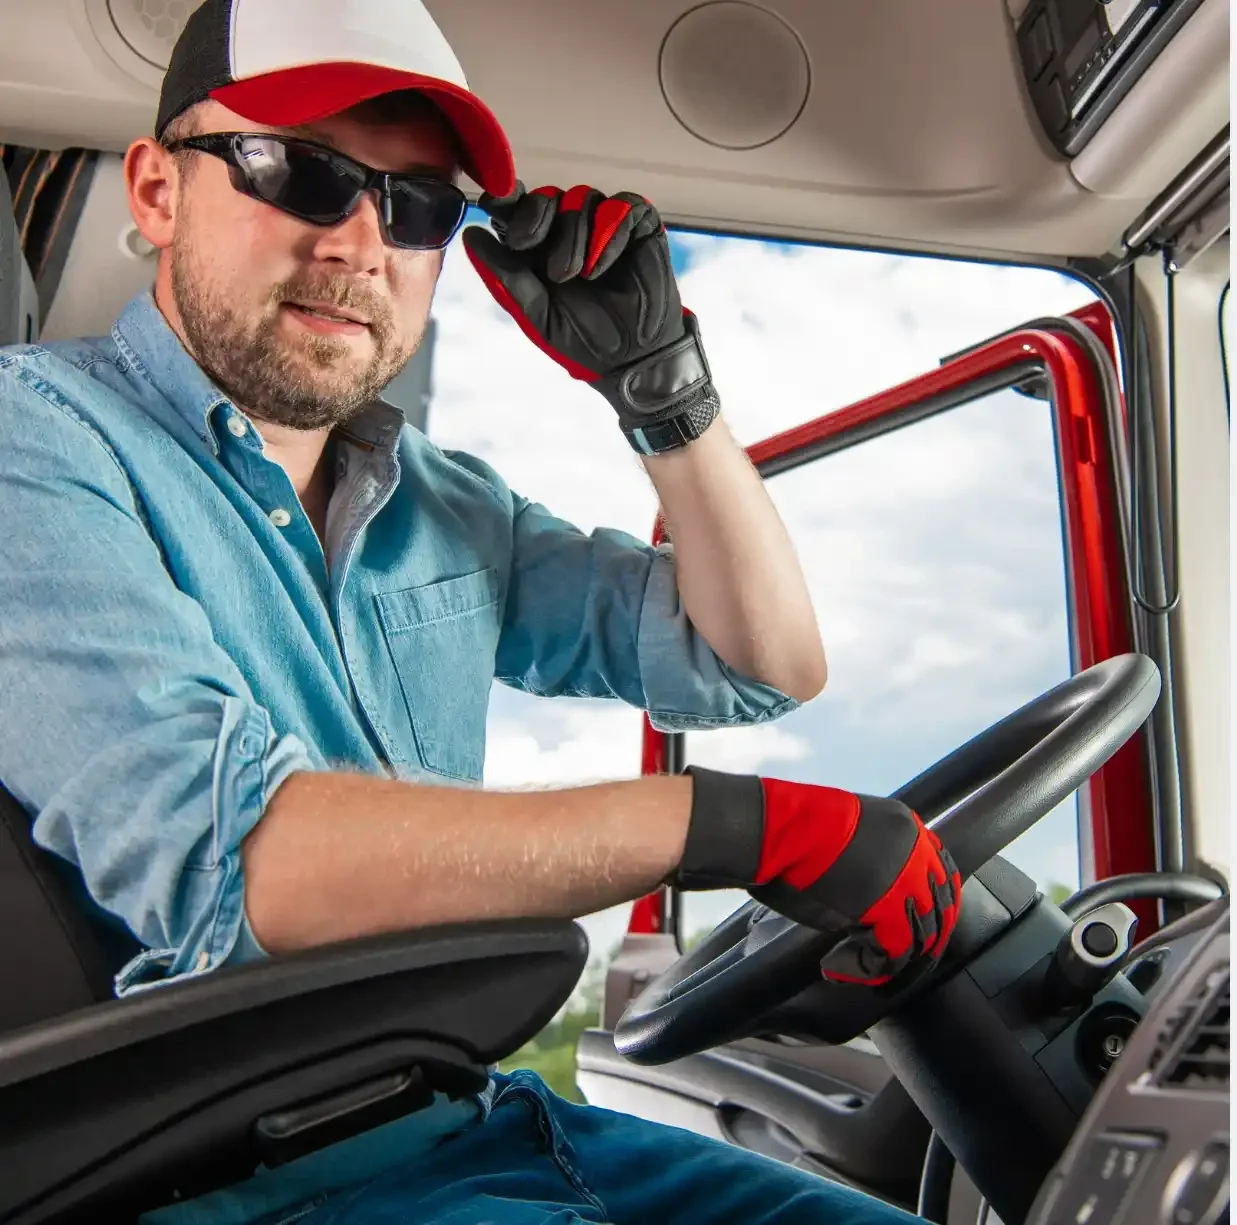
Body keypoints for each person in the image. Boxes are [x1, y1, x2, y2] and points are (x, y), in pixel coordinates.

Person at [0, 1, 961, 1221]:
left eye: (415, 208)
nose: (360, 243)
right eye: (301, 171)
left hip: (473, 1119)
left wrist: (661, 391)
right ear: (156, 190)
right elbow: (244, 870)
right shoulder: (36, 438)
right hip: (228, 1178)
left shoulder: (444, 502)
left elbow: (755, 663)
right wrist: (739, 826)